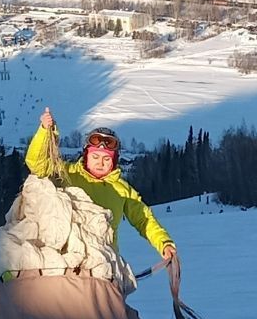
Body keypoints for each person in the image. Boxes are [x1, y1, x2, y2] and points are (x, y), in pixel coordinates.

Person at [26, 108, 176, 264]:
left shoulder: (122, 189)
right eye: (95, 156)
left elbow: (144, 219)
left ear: (114, 161)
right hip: (64, 263)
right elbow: (37, 165)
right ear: (86, 155)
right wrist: (45, 132)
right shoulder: (65, 174)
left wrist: (164, 243)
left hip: (104, 265)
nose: (100, 163)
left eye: (107, 159)